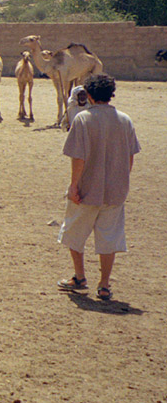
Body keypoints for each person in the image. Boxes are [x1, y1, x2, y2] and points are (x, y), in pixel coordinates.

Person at [56, 74, 140, 301]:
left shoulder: (83, 120)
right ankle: (104, 285)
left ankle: (79, 276)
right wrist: (120, 181)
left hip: (86, 190)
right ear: (111, 94)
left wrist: (73, 186)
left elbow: (78, 158)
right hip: (115, 191)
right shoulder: (125, 120)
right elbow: (130, 157)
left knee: (74, 231)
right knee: (109, 237)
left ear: (89, 95)